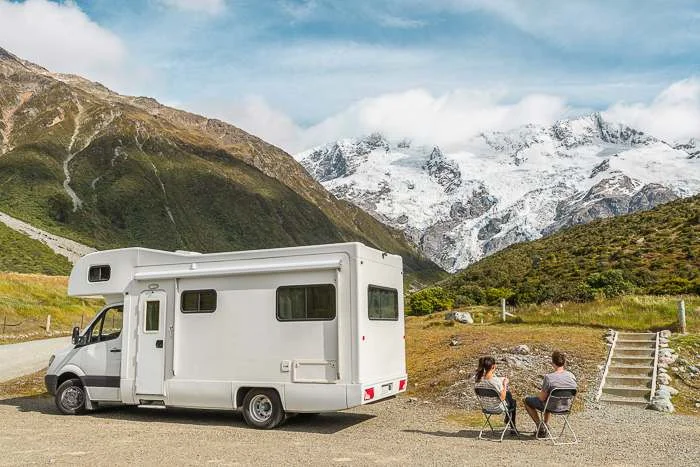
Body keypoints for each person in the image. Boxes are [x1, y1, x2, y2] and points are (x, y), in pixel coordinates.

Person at [524, 350, 577, 438]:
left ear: (552, 362)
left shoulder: (549, 378)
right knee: (549, 399)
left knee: (527, 400)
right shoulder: (571, 376)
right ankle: (545, 425)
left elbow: (541, 398)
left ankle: (541, 426)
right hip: (565, 406)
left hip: (550, 406)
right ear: (564, 362)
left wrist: (538, 394)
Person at [474, 356, 517, 434]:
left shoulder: (478, 380)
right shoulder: (495, 381)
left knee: (508, 395)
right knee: (512, 401)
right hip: (497, 408)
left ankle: (508, 419)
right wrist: (504, 384)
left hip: (486, 407)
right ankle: (512, 425)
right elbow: (502, 397)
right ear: (493, 366)